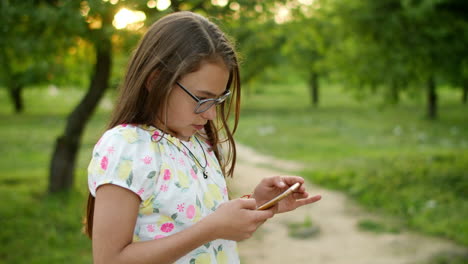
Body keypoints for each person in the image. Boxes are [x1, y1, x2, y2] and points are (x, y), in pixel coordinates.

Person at [84, 11, 321, 264]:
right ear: (156, 80)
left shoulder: (198, 143)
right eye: (201, 98)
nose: (210, 114)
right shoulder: (127, 147)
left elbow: (197, 222)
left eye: (218, 100)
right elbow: (109, 260)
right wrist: (211, 229)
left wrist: (258, 203)